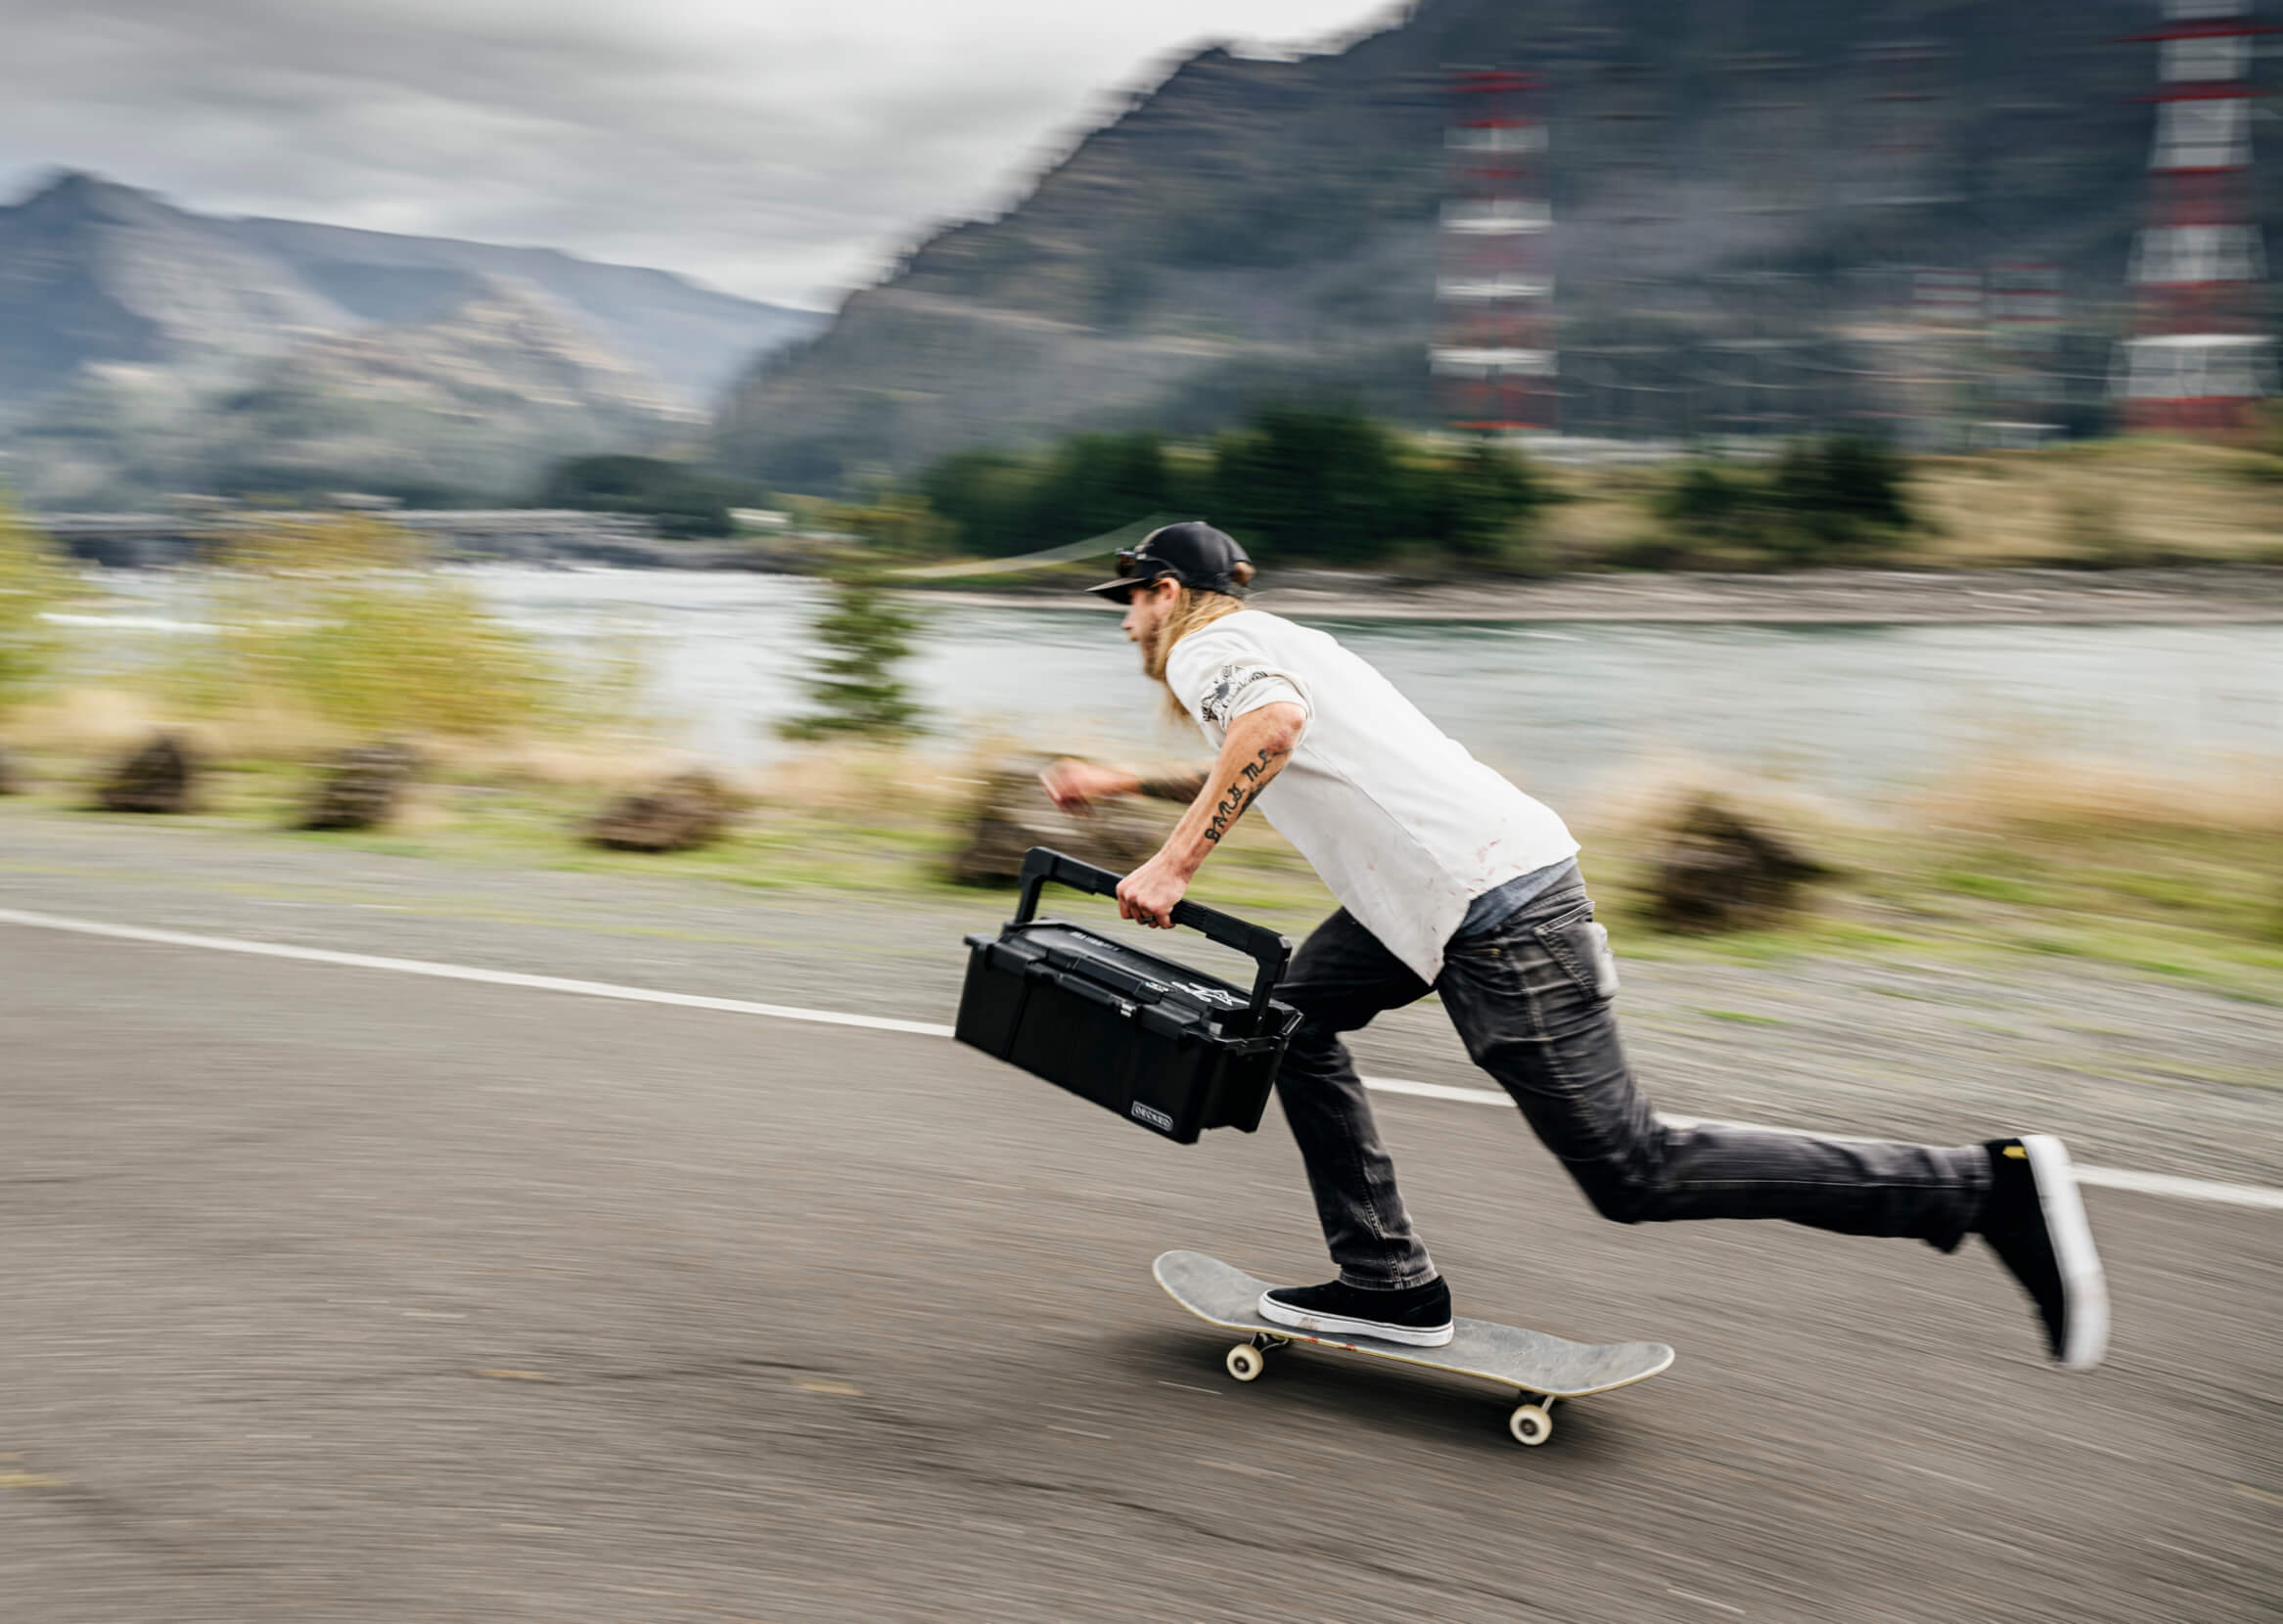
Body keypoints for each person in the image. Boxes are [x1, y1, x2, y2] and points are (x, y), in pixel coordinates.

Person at [1041, 520, 2108, 1368]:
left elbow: (1263, 736)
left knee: (1631, 1168)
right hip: (1438, 893)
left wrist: (1173, 863)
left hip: (1492, 910)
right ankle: (1384, 1281)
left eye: (1129, 602)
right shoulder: (1275, 644)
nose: (1126, 624)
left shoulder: (1211, 648)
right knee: (1284, 1024)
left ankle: (1977, 1186)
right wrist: (1122, 782)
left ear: (1166, 593)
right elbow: (1273, 749)